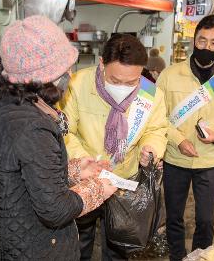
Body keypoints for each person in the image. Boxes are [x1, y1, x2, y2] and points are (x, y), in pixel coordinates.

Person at [0, 15, 117, 261]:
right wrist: (96, 189)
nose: (70, 72)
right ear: (46, 76)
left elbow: (20, 170)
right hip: (27, 248)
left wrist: (75, 170)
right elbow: (55, 210)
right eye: (65, 67)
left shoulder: (3, 103)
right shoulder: (33, 125)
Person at [61, 34, 169, 260]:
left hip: (123, 179)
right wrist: (84, 162)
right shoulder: (77, 84)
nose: (123, 87)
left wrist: (152, 147)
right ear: (101, 63)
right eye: (115, 80)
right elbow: (64, 131)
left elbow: (157, 128)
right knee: (79, 241)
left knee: (119, 245)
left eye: (132, 82)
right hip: (85, 179)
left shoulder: (150, 93)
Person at [157, 15, 214, 261]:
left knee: (205, 220)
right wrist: (178, 140)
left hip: (209, 161)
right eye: (202, 40)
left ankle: (200, 257)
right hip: (175, 159)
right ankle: (177, 256)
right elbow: (157, 117)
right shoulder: (169, 75)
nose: (207, 47)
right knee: (174, 216)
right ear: (193, 40)